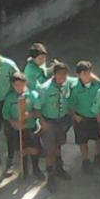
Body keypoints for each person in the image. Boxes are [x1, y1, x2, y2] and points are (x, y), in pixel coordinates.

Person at [37, 61, 73, 191]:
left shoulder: (67, 83)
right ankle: (50, 177)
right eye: (60, 74)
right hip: (49, 122)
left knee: (58, 146)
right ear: (54, 74)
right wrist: (42, 122)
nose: (62, 77)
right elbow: (37, 107)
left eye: (65, 74)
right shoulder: (44, 88)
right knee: (49, 150)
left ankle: (59, 168)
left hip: (62, 120)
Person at [2, 72, 44, 180]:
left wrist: (30, 114)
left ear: (25, 83)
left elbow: (38, 111)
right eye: (16, 85)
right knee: (21, 150)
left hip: (30, 127)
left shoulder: (33, 95)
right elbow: (5, 114)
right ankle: (23, 169)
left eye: (21, 84)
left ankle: (36, 169)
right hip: (17, 129)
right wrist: (13, 122)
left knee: (34, 149)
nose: (19, 87)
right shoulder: (9, 98)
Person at [70, 61, 100, 173]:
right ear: (78, 75)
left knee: (98, 138)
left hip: (95, 116)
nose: (88, 76)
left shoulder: (97, 84)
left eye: (89, 73)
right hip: (82, 118)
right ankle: (85, 160)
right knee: (82, 141)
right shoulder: (74, 88)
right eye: (84, 74)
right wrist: (75, 116)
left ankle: (98, 156)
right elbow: (70, 104)